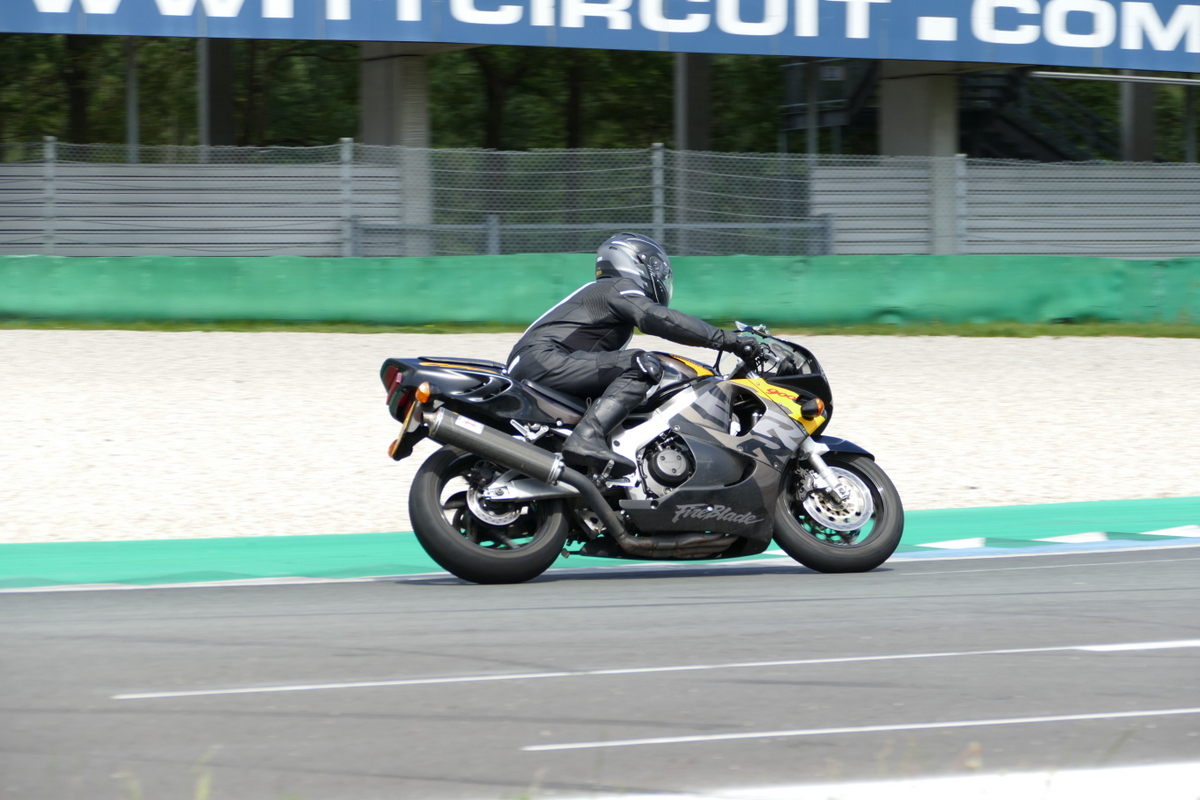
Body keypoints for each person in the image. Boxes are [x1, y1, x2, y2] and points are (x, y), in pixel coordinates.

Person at [506, 232, 763, 475]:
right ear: (634, 262)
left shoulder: (603, 294)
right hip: (545, 358)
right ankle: (587, 437)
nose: (661, 277)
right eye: (657, 268)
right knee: (640, 364)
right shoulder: (618, 287)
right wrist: (732, 341)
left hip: (538, 361)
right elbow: (658, 318)